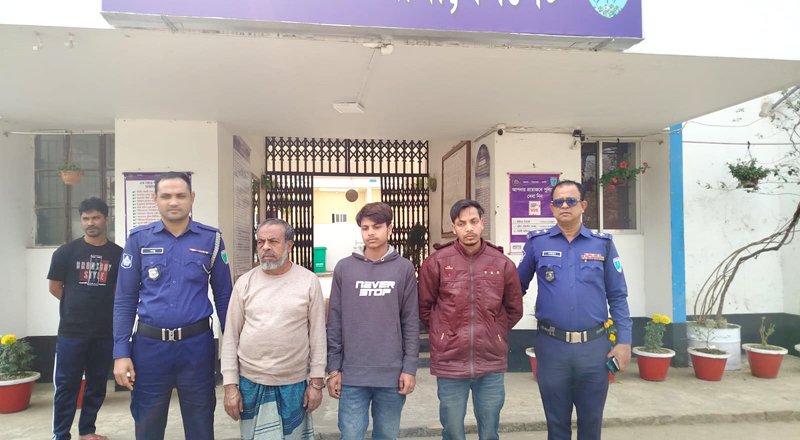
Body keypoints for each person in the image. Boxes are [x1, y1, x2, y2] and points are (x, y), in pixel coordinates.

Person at [112, 172, 232, 440]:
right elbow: (124, 299)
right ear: (155, 199)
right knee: (148, 423)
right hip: (150, 348)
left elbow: (224, 297)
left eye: (180, 195)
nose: (174, 202)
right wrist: (121, 353)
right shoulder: (138, 240)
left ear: (192, 198)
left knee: (201, 422)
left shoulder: (211, 239)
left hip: (197, 347)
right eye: (166, 196)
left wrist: (235, 348)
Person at [517, 179, 632, 440]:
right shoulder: (537, 243)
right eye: (558, 202)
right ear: (551, 208)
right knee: (556, 424)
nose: (564, 206)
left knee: (591, 424)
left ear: (583, 205)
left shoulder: (602, 244)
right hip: (552, 347)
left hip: (593, 348)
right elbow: (516, 288)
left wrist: (624, 341)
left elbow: (618, 296)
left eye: (571, 200)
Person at [418, 199, 523, 440]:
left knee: (490, 430)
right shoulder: (437, 262)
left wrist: (494, 331)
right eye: (461, 223)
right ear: (453, 227)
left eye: (473, 222)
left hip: (490, 360)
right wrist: (444, 334)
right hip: (450, 360)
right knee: (453, 430)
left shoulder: (502, 263)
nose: (469, 228)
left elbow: (514, 308)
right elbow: (424, 307)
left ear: (482, 223)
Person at [221, 218, 326, 440]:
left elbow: (318, 336)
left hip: (293, 383)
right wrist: (230, 386)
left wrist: (316, 384)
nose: (265, 247)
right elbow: (230, 337)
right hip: (251, 382)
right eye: (260, 242)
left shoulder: (308, 281)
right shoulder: (244, 283)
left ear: (289, 245)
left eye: (273, 241)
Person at [326, 202, 420, 440]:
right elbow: (334, 320)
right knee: (350, 435)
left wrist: (409, 368)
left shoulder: (404, 269)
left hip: (391, 374)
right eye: (365, 228)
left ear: (390, 228)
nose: (370, 233)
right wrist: (333, 368)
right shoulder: (345, 268)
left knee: (387, 435)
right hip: (352, 375)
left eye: (377, 227)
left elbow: (410, 322)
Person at [47, 197, 123, 440]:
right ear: (81, 220)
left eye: (96, 217)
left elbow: (118, 292)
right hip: (71, 333)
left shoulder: (118, 254)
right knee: (66, 386)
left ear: (106, 219)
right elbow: (55, 287)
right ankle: (61, 434)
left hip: (103, 333)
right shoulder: (66, 252)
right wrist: (77, 306)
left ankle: (87, 431)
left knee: (97, 385)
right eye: (86, 218)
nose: (91, 223)